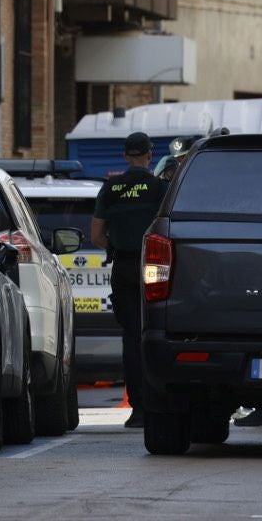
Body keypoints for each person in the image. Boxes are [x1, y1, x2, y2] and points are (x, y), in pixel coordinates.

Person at [90, 131, 167, 430]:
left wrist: (116, 245)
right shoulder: (160, 188)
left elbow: (96, 235)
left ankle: (138, 409)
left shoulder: (110, 188)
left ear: (125, 156)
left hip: (122, 266)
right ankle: (159, 403)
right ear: (149, 155)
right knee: (159, 333)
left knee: (132, 338)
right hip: (155, 268)